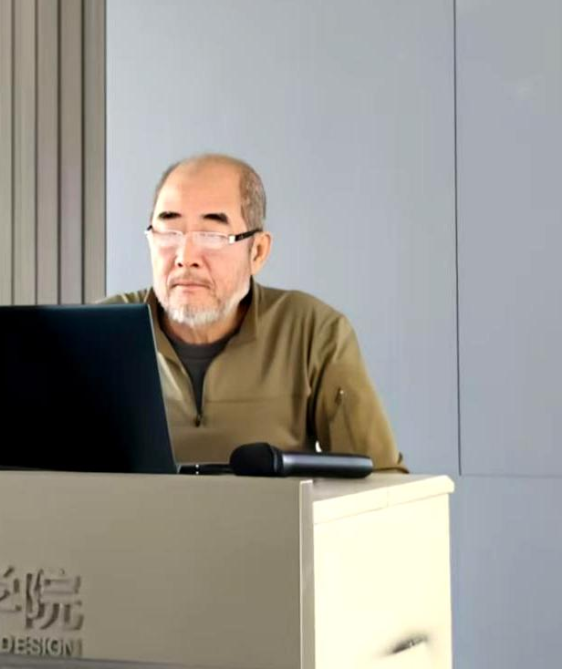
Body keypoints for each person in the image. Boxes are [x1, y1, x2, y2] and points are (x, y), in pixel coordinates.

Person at [101, 153, 407, 472]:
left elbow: (383, 482)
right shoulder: (101, 335)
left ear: (257, 251)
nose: (185, 257)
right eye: (169, 232)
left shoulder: (312, 331)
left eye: (212, 236)